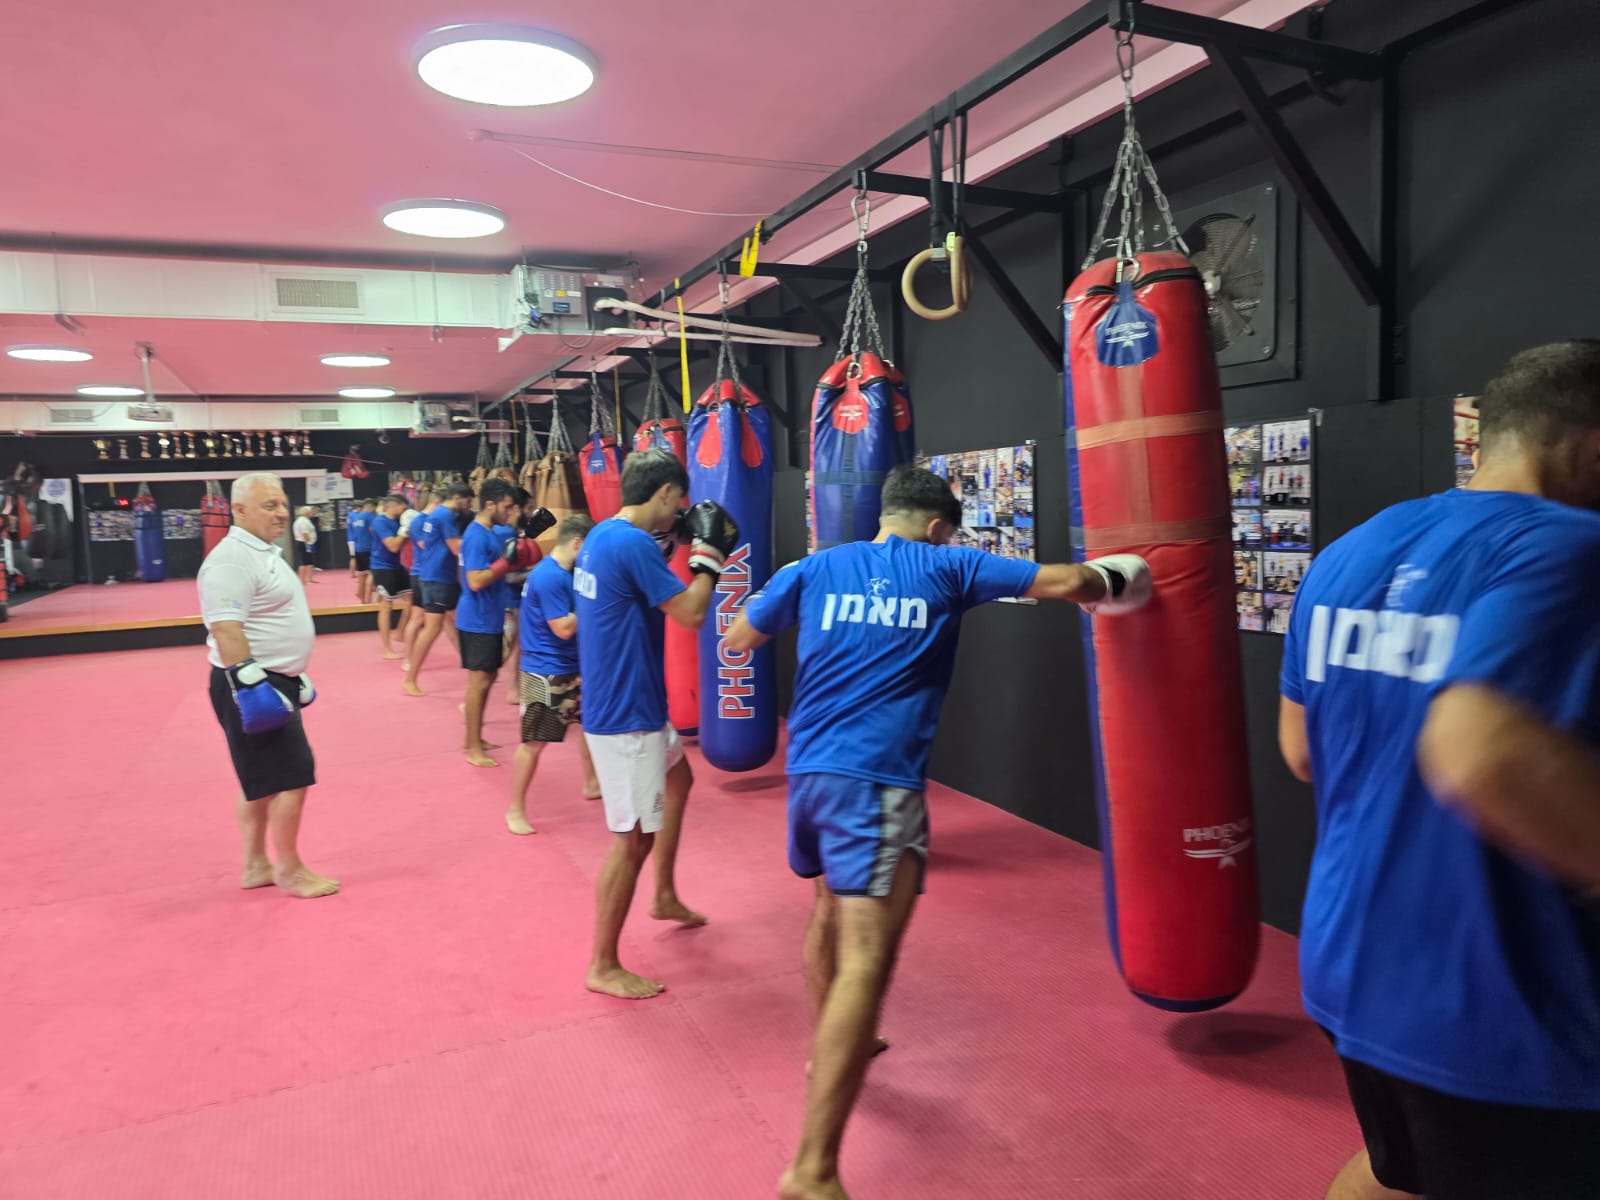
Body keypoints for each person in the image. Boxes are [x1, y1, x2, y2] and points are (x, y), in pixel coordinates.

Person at [724, 464, 1151, 1200]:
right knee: (867, 959)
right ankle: (812, 1170)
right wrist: (1127, 578)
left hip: (810, 776)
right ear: (934, 526)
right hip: (876, 785)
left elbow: (739, 636)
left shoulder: (814, 567)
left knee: (826, 908)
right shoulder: (950, 565)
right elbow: (1069, 582)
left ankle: (835, 1043)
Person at [1277, 340, 1600, 1200]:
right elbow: (1479, 745)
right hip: (1506, 999)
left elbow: (1300, 750)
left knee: (1403, 1177)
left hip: (1352, 969)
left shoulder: (1351, 551)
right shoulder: (1572, 547)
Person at [575, 448, 739, 1000]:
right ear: (666, 492)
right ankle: (603, 964)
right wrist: (709, 558)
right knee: (632, 843)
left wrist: (672, 544)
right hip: (627, 714)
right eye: (678, 500)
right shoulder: (632, 545)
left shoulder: (604, 534)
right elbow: (691, 613)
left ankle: (664, 894)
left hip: (631, 699)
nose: (679, 510)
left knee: (679, 780)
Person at [197, 472, 339, 900]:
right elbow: (226, 628)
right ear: (238, 510)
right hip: (250, 682)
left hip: (272, 678)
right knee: (293, 776)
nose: (281, 513)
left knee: (259, 780)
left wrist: (291, 671)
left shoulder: (263, 552)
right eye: (269, 506)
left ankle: (256, 864)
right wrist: (253, 687)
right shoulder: (230, 560)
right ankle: (290, 870)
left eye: (282, 505)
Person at [508, 514, 600, 835]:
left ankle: (592, 782)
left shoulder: (568, 573)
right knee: (534, 742)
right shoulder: (550, 577)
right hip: (545, 673)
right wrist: (595, 605)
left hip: (575, 665)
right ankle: (515, 808)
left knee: (590, 728)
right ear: (577, 543)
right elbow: (562, 628)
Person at [458, 479, 533, 767]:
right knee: (478, 684)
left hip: (488, 616)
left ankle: (474, 738)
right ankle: (473, 747)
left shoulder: (489, 533)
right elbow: (476, 581)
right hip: (476, 619)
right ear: (490, 505)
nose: (511, 511)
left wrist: (512, 562)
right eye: (507, 506)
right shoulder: (476, 535)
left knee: (487, 680)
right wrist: (504, 564)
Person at [402, 485, 471, 696]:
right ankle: (410, 678)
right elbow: (456, 548)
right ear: (457, 498)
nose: (469, 506)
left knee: (454, 622)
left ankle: (474, 668)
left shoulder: (437, 515)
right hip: (436, 578)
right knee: (431, 628)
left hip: (438, 576)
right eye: (468, 501)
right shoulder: (445, 515)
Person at [367, 494, 411, 658]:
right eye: (403, 507)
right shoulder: (380, 521)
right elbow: (392, 546)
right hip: (383, 567)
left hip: (400, 565)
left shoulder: (400, 521)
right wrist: (405, 533)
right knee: (386, 606)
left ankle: (400, 632)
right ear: (394, 505)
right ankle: (387, 649)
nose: (405, 511)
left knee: (414, 602)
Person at [397, 488, 432, 662]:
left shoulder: (418, 520)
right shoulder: (419, 520)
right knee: (418, 617)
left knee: (426, 618)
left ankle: (408, 656)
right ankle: (409, 658)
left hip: (420, 570)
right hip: (422, 572)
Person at [347, 498, 376, 603]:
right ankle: (368, 598)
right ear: (372, 506)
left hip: (358, 548)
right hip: (368, 548)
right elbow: (373, 530)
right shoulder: (370, 516)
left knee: (362, 574)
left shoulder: (357, 517)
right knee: (371, 573)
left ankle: (362, 597)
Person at [291, 505, 318, 585]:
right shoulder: (303, 521)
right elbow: (305, 534)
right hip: (305, 543)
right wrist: (309, 544)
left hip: (307, 543)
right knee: (304, 562)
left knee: (309, 562)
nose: (312, 513)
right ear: (306, 513)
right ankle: (303, 580)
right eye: (310, 512)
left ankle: (309, 579)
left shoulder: (304, 520)